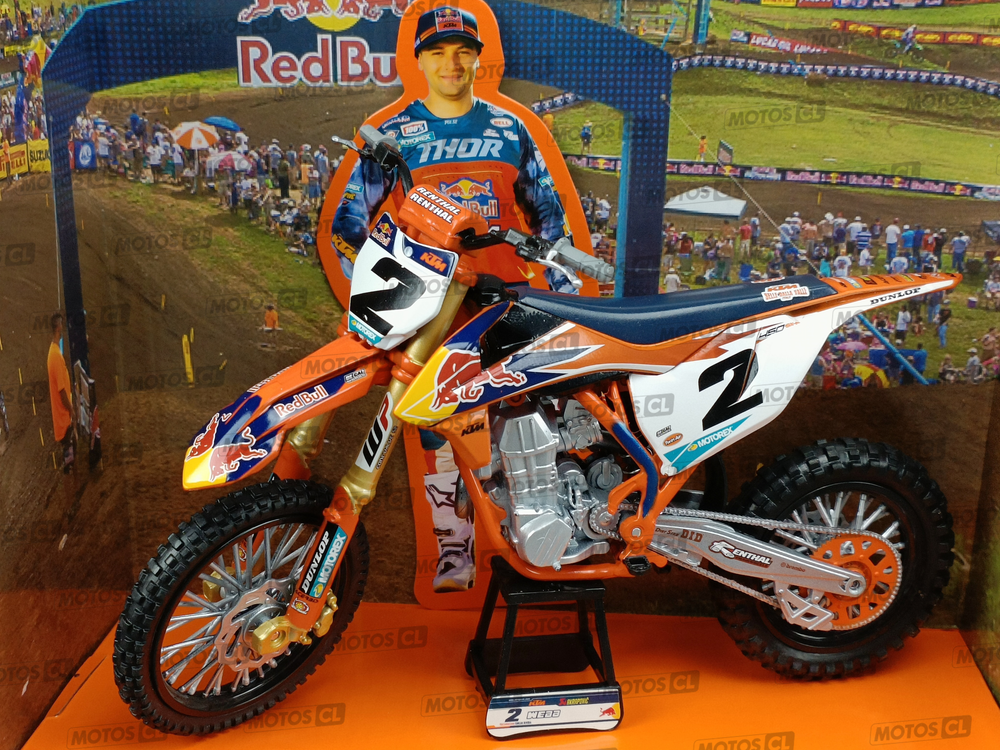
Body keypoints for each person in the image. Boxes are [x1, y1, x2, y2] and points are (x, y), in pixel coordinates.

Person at [47, 313, 74, 473]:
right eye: (62, 325)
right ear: (58, 327)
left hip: (62, 419)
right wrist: (72, 410)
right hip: (63, 420)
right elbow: (62, 392)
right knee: (69, 464)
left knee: (70, 459)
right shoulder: (56, 356)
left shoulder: (53, 351)